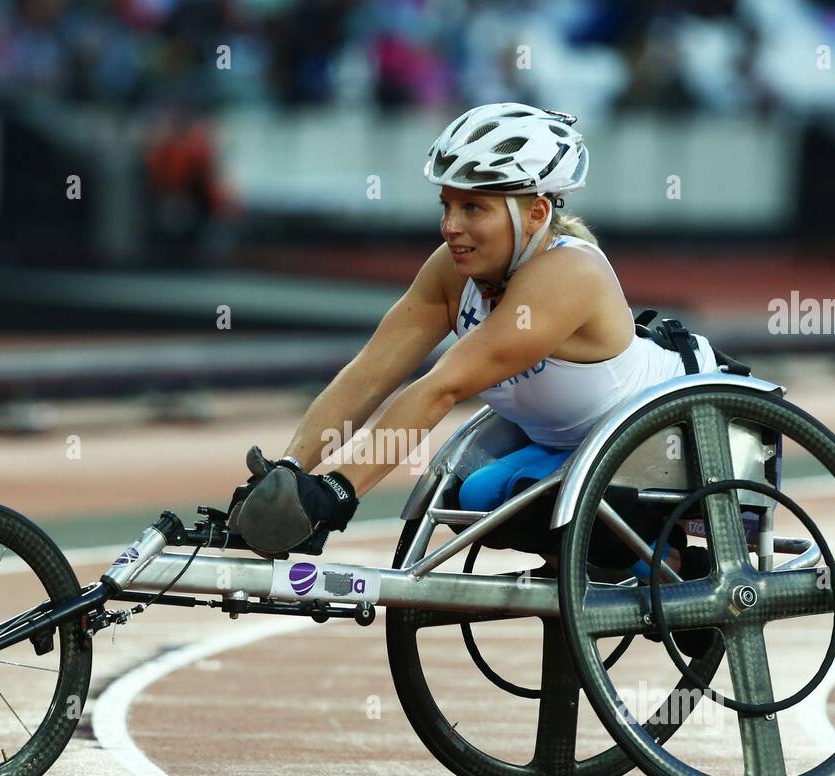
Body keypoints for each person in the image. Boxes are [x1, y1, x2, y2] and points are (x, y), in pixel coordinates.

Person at [230, 102, 721, 595]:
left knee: (495, 496)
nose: (450, 226)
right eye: (446, 204)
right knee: (470, 495)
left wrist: (339, 491)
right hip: (568, 448)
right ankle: (626, 565)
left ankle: (672, 564)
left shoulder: (569, 274)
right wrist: (291, 472)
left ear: (536, 212)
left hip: (666, 439)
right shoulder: (452, 269)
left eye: (473, 208)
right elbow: (368, 375)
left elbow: (443, 386)